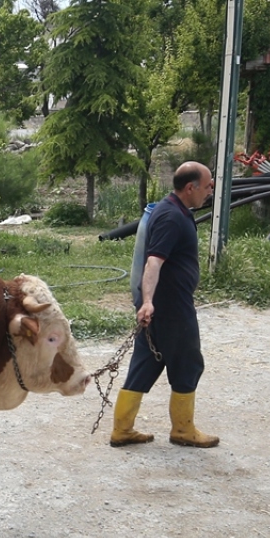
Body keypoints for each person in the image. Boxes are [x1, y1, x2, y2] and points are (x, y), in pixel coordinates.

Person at [109, 161, 219, 449]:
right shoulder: (171, 217)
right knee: (188, 364)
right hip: (171, 309)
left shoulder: (173, 210)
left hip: (159, 307)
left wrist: (148, 304)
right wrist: (147, 302)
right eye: (208, 185)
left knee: (145, 364)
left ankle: (122, 429)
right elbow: (154, 262)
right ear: (190, 187)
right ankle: (183, 430)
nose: (211, 190)